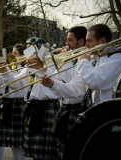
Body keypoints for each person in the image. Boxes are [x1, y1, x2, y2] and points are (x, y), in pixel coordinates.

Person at [0, 38, 60, 160]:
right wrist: (5, 72)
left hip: (47, 107)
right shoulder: (27, 68)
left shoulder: (51, 63)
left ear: (40, 49)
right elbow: (16, 84)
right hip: (32, 107)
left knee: (47, 153)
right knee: (35, 152)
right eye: (27, 48)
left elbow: (49, 78)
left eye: (30, 48)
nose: (27, 51)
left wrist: (37, 67)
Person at [40, 26, 88, 159]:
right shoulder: (71, 58)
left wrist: (63, 64)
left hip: (77, 110)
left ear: (81, 42)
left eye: (70, 40)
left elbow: (73, 86)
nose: (66, 43)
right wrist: (43, 70)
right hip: (65, 110)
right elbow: (57, 79)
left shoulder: (85, 60)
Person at [76, 24, 121, 104]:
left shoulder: (118, 58)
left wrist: (82, 61)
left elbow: (95, 81)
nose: (86, 45)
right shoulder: (97, 58)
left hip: (111, 111)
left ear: (102, 41)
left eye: (89, 41)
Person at [0, 44, 27, 160]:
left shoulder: (22, 69)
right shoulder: (10, 67)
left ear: (22, 56)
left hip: (19, 103)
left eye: (15, 53)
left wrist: (7, 72)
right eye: (12, 53)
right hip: (9, 103)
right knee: (14, 142)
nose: (12, 55)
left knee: (20, 141)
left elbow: (15, 85)